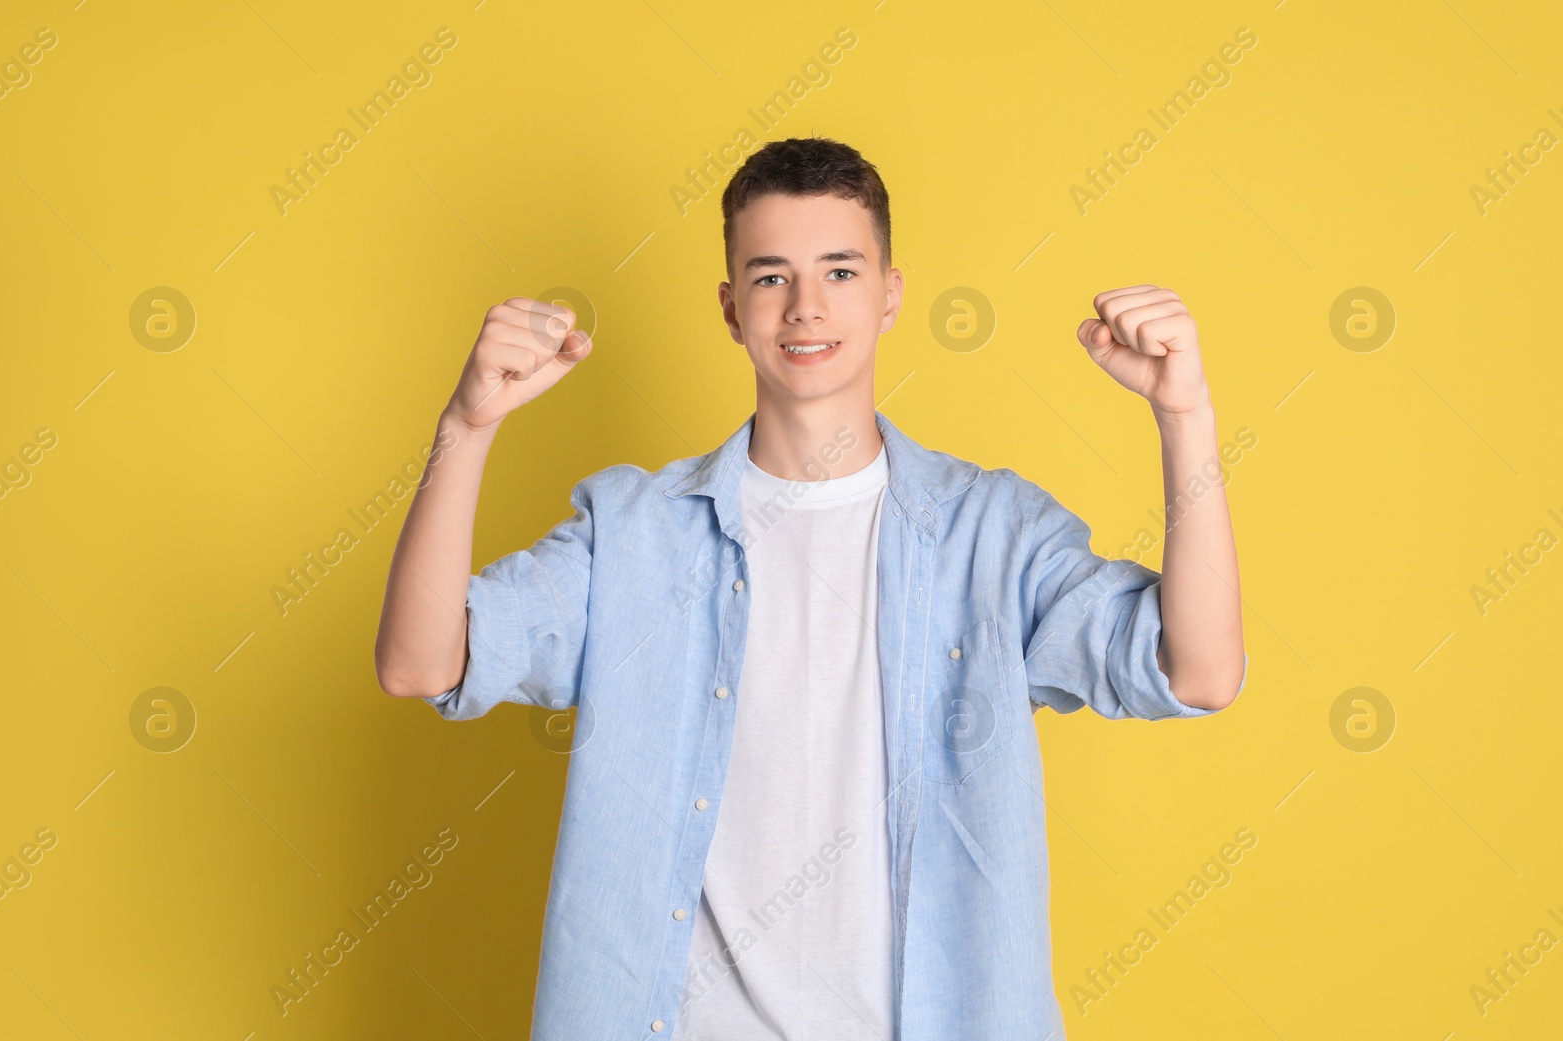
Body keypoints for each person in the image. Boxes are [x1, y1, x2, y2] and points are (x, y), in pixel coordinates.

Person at [373, 135, 1247, 1041]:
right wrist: (466, 429)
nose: (804, 307)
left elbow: (1198, 673)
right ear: (729, 307)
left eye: (838, 270)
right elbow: (420, 661)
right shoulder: (634, 533)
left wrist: (1186, 419)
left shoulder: (992, 533)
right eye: (769, 277)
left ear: (890, 294)